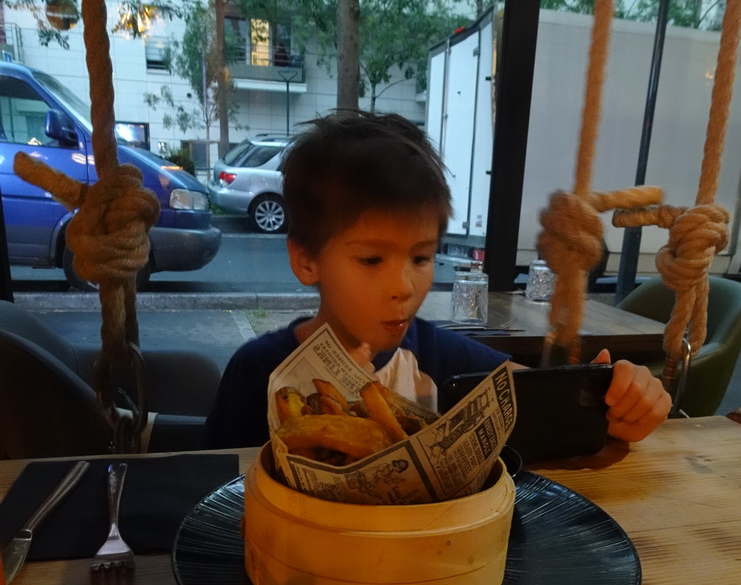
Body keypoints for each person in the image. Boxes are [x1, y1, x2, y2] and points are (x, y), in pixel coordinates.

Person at [205, 111, 671, 449]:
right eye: (371, 260)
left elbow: (552, 403)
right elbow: (210, 499)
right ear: (306, 260)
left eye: (422, 257)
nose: (404, 286)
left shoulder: (441, 360)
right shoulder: (257, 373)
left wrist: (622, 399)